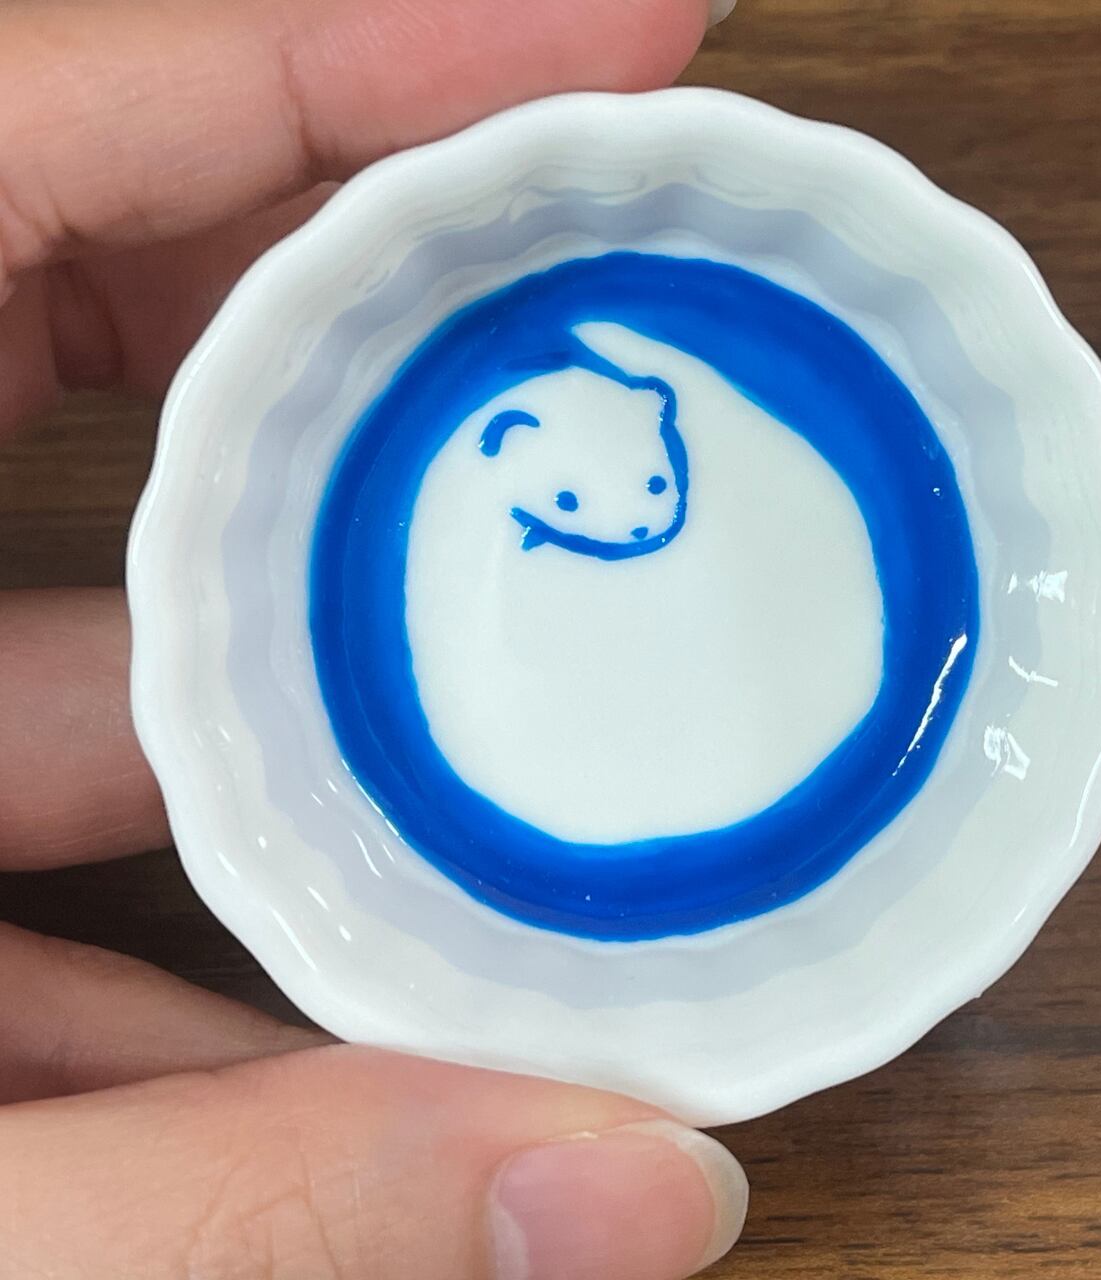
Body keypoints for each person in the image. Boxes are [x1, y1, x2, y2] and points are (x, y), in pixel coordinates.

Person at [0, 0, 748, 1275]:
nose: (627, 525)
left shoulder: (606, 406)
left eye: (643, 497)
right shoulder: (482, 460)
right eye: (588, 506)